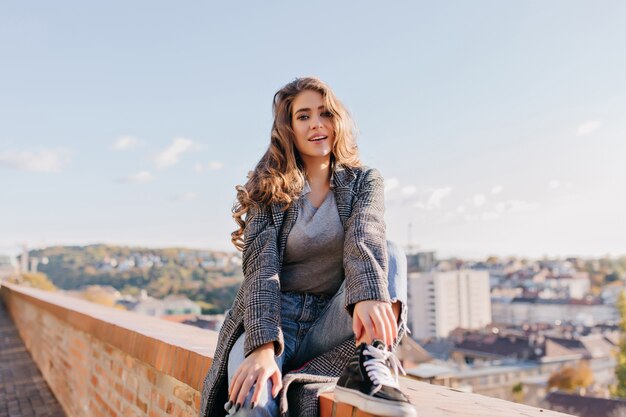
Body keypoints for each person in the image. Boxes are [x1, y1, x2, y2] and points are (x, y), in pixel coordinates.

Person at [199, 77, 415, 417]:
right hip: (273, 320)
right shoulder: (267, 187)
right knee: (251, 404)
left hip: (331, 320)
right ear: (289, 128)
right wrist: (262, 347)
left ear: (337, 120)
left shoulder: (363, 181)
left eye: (325, 113)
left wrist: (369, 294)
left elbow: (364, 236)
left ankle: (370, 362)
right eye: (303, 116)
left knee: (389, 250)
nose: (316, 123)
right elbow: (261, 273)